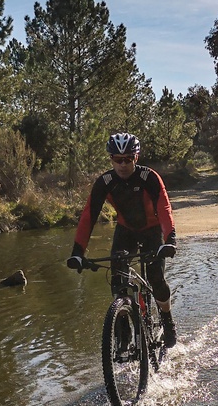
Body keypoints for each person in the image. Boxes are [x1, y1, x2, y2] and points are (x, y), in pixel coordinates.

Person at [66, 133, 178, 347]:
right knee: (117, 279)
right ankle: (123, 324)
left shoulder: (149, 177)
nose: (123, 164)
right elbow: (89, 216)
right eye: (118, 159)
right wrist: (77, 252)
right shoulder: (105, 182)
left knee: (156, 278)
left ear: (136, 157)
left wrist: (169, 240)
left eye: (127, 159)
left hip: (152, 230)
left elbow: (164, 208)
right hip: (126, 230)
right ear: (111, 159)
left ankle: (167, 320)